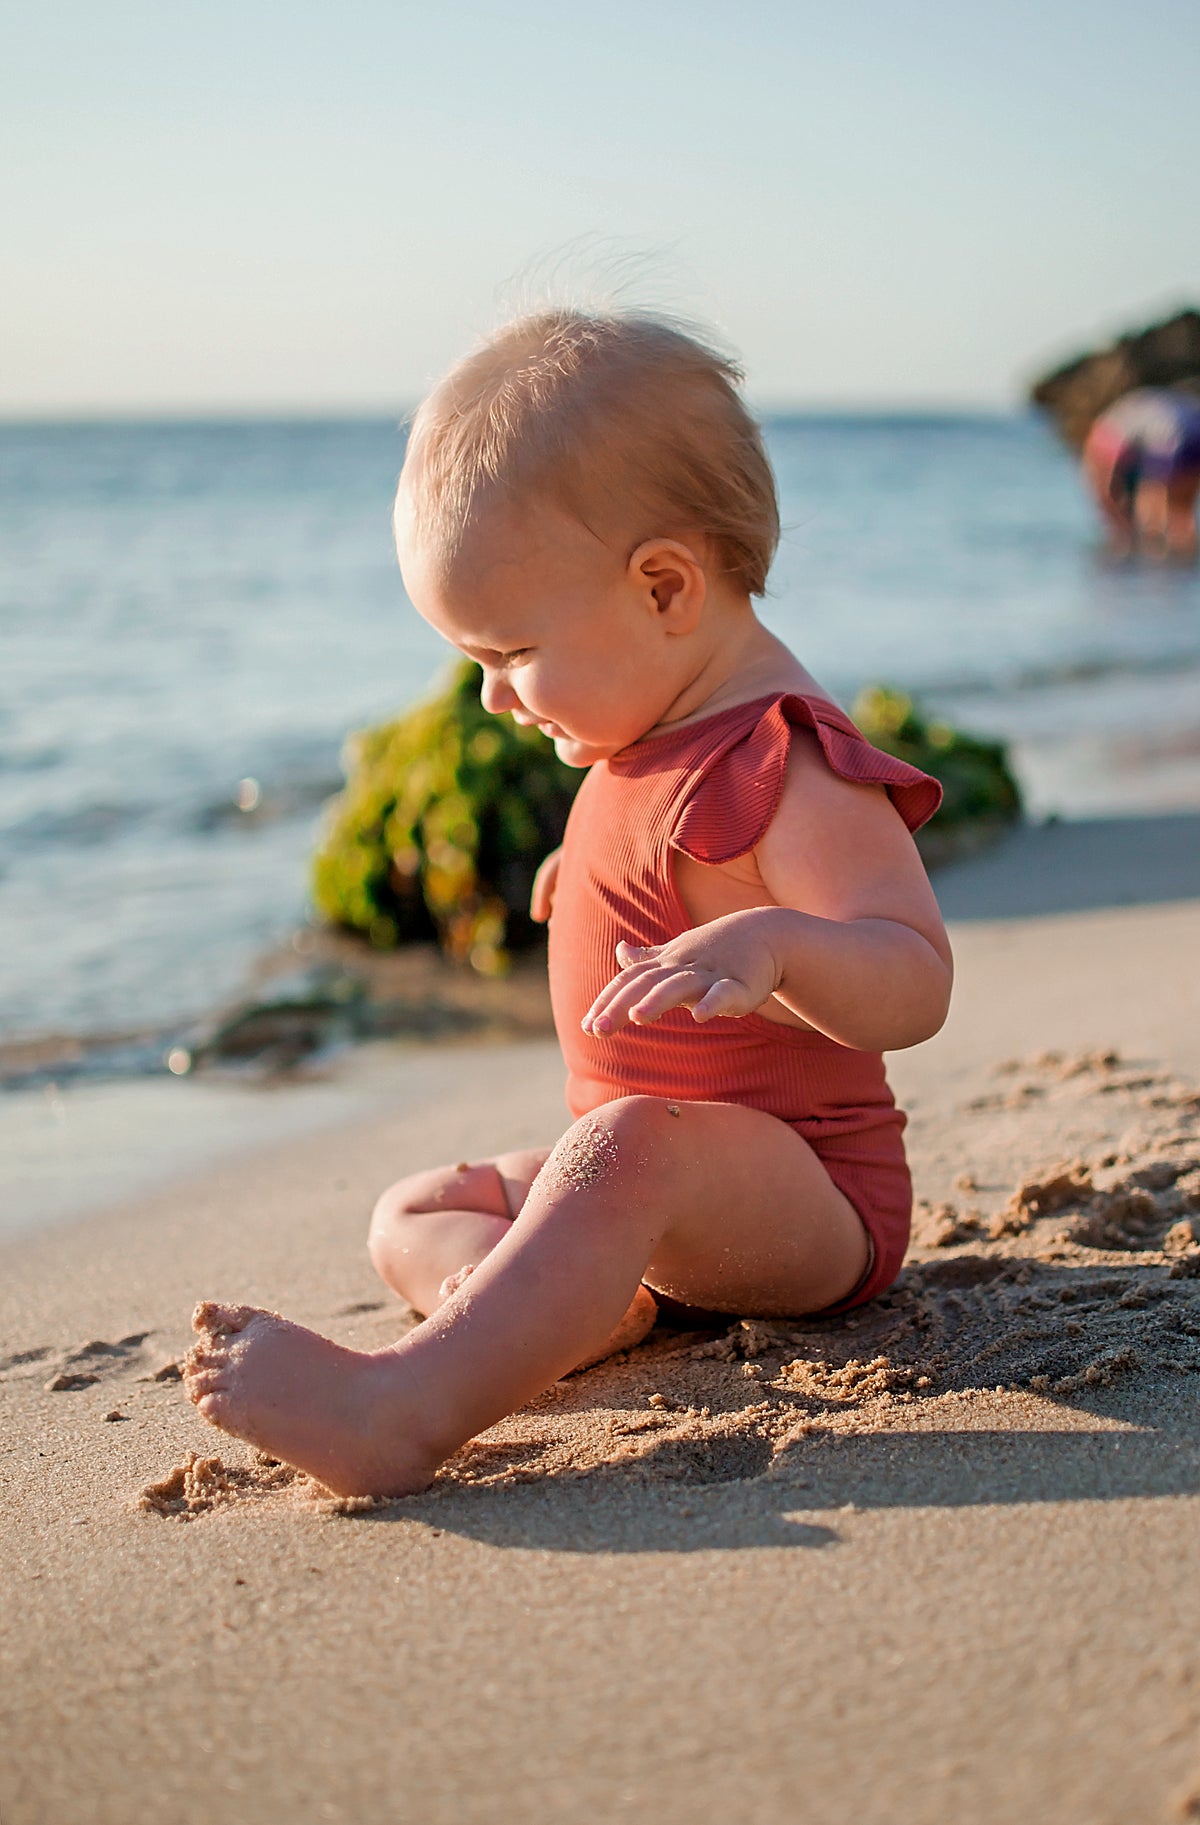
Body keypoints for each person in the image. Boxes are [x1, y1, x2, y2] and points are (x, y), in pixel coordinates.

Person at [182, 311, 954, 1498]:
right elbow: (659, 866)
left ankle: (405, 1408)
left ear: (662, 587)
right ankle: (565, 1310)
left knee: (619, 1147)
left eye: (509, 651)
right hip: (650, 1181)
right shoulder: (640, 737)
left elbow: (913, 976)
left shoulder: (784, 762)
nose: (490, 698)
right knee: (417, 1208)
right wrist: (587, 880)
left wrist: (782, 943)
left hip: (812, 1198)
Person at [1082, 386, 1200, 561]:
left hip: (1166, 433)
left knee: (1149, 506)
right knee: (1180, 510)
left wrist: (1122, 528)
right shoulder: (1127, 410)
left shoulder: (1102, 435)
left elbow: (1107, 488)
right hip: (1194, 427)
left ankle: (1154, 565)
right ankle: (1186, 563)